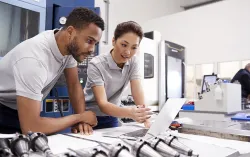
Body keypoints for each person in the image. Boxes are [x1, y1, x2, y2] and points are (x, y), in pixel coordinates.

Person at [0, 7, 104, 135]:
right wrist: (79, 117)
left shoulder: (67, 47)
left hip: (21, 109)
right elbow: (31, 128)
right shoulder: (33, 60)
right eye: (89, 41)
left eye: (96, 43)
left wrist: (82, 121)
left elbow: (74, 85)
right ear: (70, 32)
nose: (92, 49)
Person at [83, 21, 151, 132]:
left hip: (113, 115)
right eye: (124, 45)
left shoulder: (133, 62)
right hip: (91, 117)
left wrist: (146, 118)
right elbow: (102, 104)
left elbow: (137, 90)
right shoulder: (96, 64)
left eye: (134, 47)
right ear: (114, 41)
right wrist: (130, 113)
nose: (128, 52)